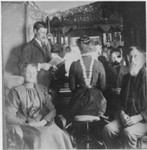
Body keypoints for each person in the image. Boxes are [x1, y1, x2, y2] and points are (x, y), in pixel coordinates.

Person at [6, 63, 73, 149]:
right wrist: (27, 123)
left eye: (34, 72)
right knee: (40, 138)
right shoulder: (16, 91)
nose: (31, 75)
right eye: (28, 72)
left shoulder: (41, 89)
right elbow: (9, 116)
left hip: (42, 123)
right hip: (26, 125)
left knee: (60, 134)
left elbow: (52, 110)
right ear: (23, 73)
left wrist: (43, 121)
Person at [102, 46, 147, 149]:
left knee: (128, 133)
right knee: (108, 130)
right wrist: (122, 113)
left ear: (143, 60)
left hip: (144, 120)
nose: (132, 60)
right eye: (130, 57)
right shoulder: (126, 78)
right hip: (126, 117)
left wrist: (139, 117)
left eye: (135, 57)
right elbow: (120, 102)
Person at [62, 35, 107, 124]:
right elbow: (103, 87)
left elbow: (72, 88)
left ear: (79, 48)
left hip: (79, 103)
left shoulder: (74, 65)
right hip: (97, 104)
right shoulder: (99, 64)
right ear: (90, 47)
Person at [19, 21, 56, 88]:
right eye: (42, 32)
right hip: (35, 83)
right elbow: (22, 66)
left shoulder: (45, 45)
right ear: (35, 31)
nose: (45, 35)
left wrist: (52, 66)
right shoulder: (28, 46)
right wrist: (40, 66)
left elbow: (49, 61)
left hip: (48, 82)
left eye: (45, 33)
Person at [104, 48, 128, 119]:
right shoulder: (105, 70)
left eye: (117, 57)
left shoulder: (127, 69)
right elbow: (103, 84)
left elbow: (130, 84)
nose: (115, 59)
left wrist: (122, 90)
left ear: (121, 57)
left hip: (123, 99)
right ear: (110, 58)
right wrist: (112, 89)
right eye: (113, 57)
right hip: (110, 99)